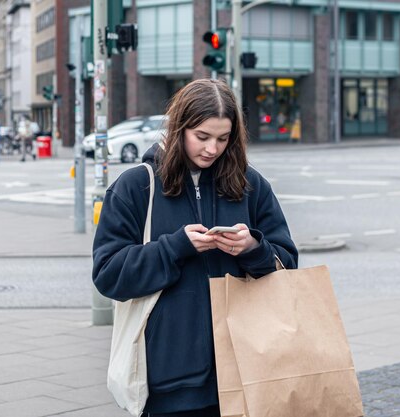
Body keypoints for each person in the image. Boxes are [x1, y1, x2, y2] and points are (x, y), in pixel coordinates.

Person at [92, 79, 298, 416]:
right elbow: (108, 275)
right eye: (201, 137)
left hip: (247, 373)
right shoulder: (135, 187)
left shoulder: (251, 185)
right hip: (168, 382)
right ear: (178, 129)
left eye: (222, 138)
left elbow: (288, 265)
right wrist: (175, 247)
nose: (212, 149)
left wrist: (253, 249)